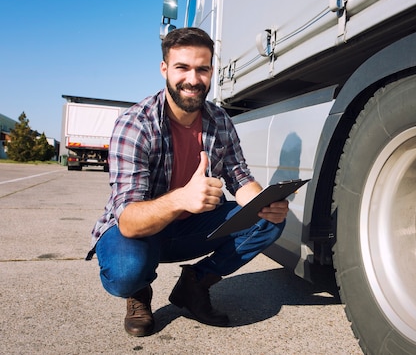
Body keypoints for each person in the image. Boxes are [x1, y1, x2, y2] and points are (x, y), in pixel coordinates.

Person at [86, 27, 289, 337]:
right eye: (182, 68)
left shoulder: (220, 121)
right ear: (165, 69)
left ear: (211, 71)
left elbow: (240, 178)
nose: (193, 79)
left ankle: (195, 283)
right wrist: (181, 198)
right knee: (125, 272)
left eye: (202, 69)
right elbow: (128, 221)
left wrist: (264, 203)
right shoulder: (136, 124)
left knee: (269, 221)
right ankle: (139, 291)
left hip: (191, 227)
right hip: (141, 232)